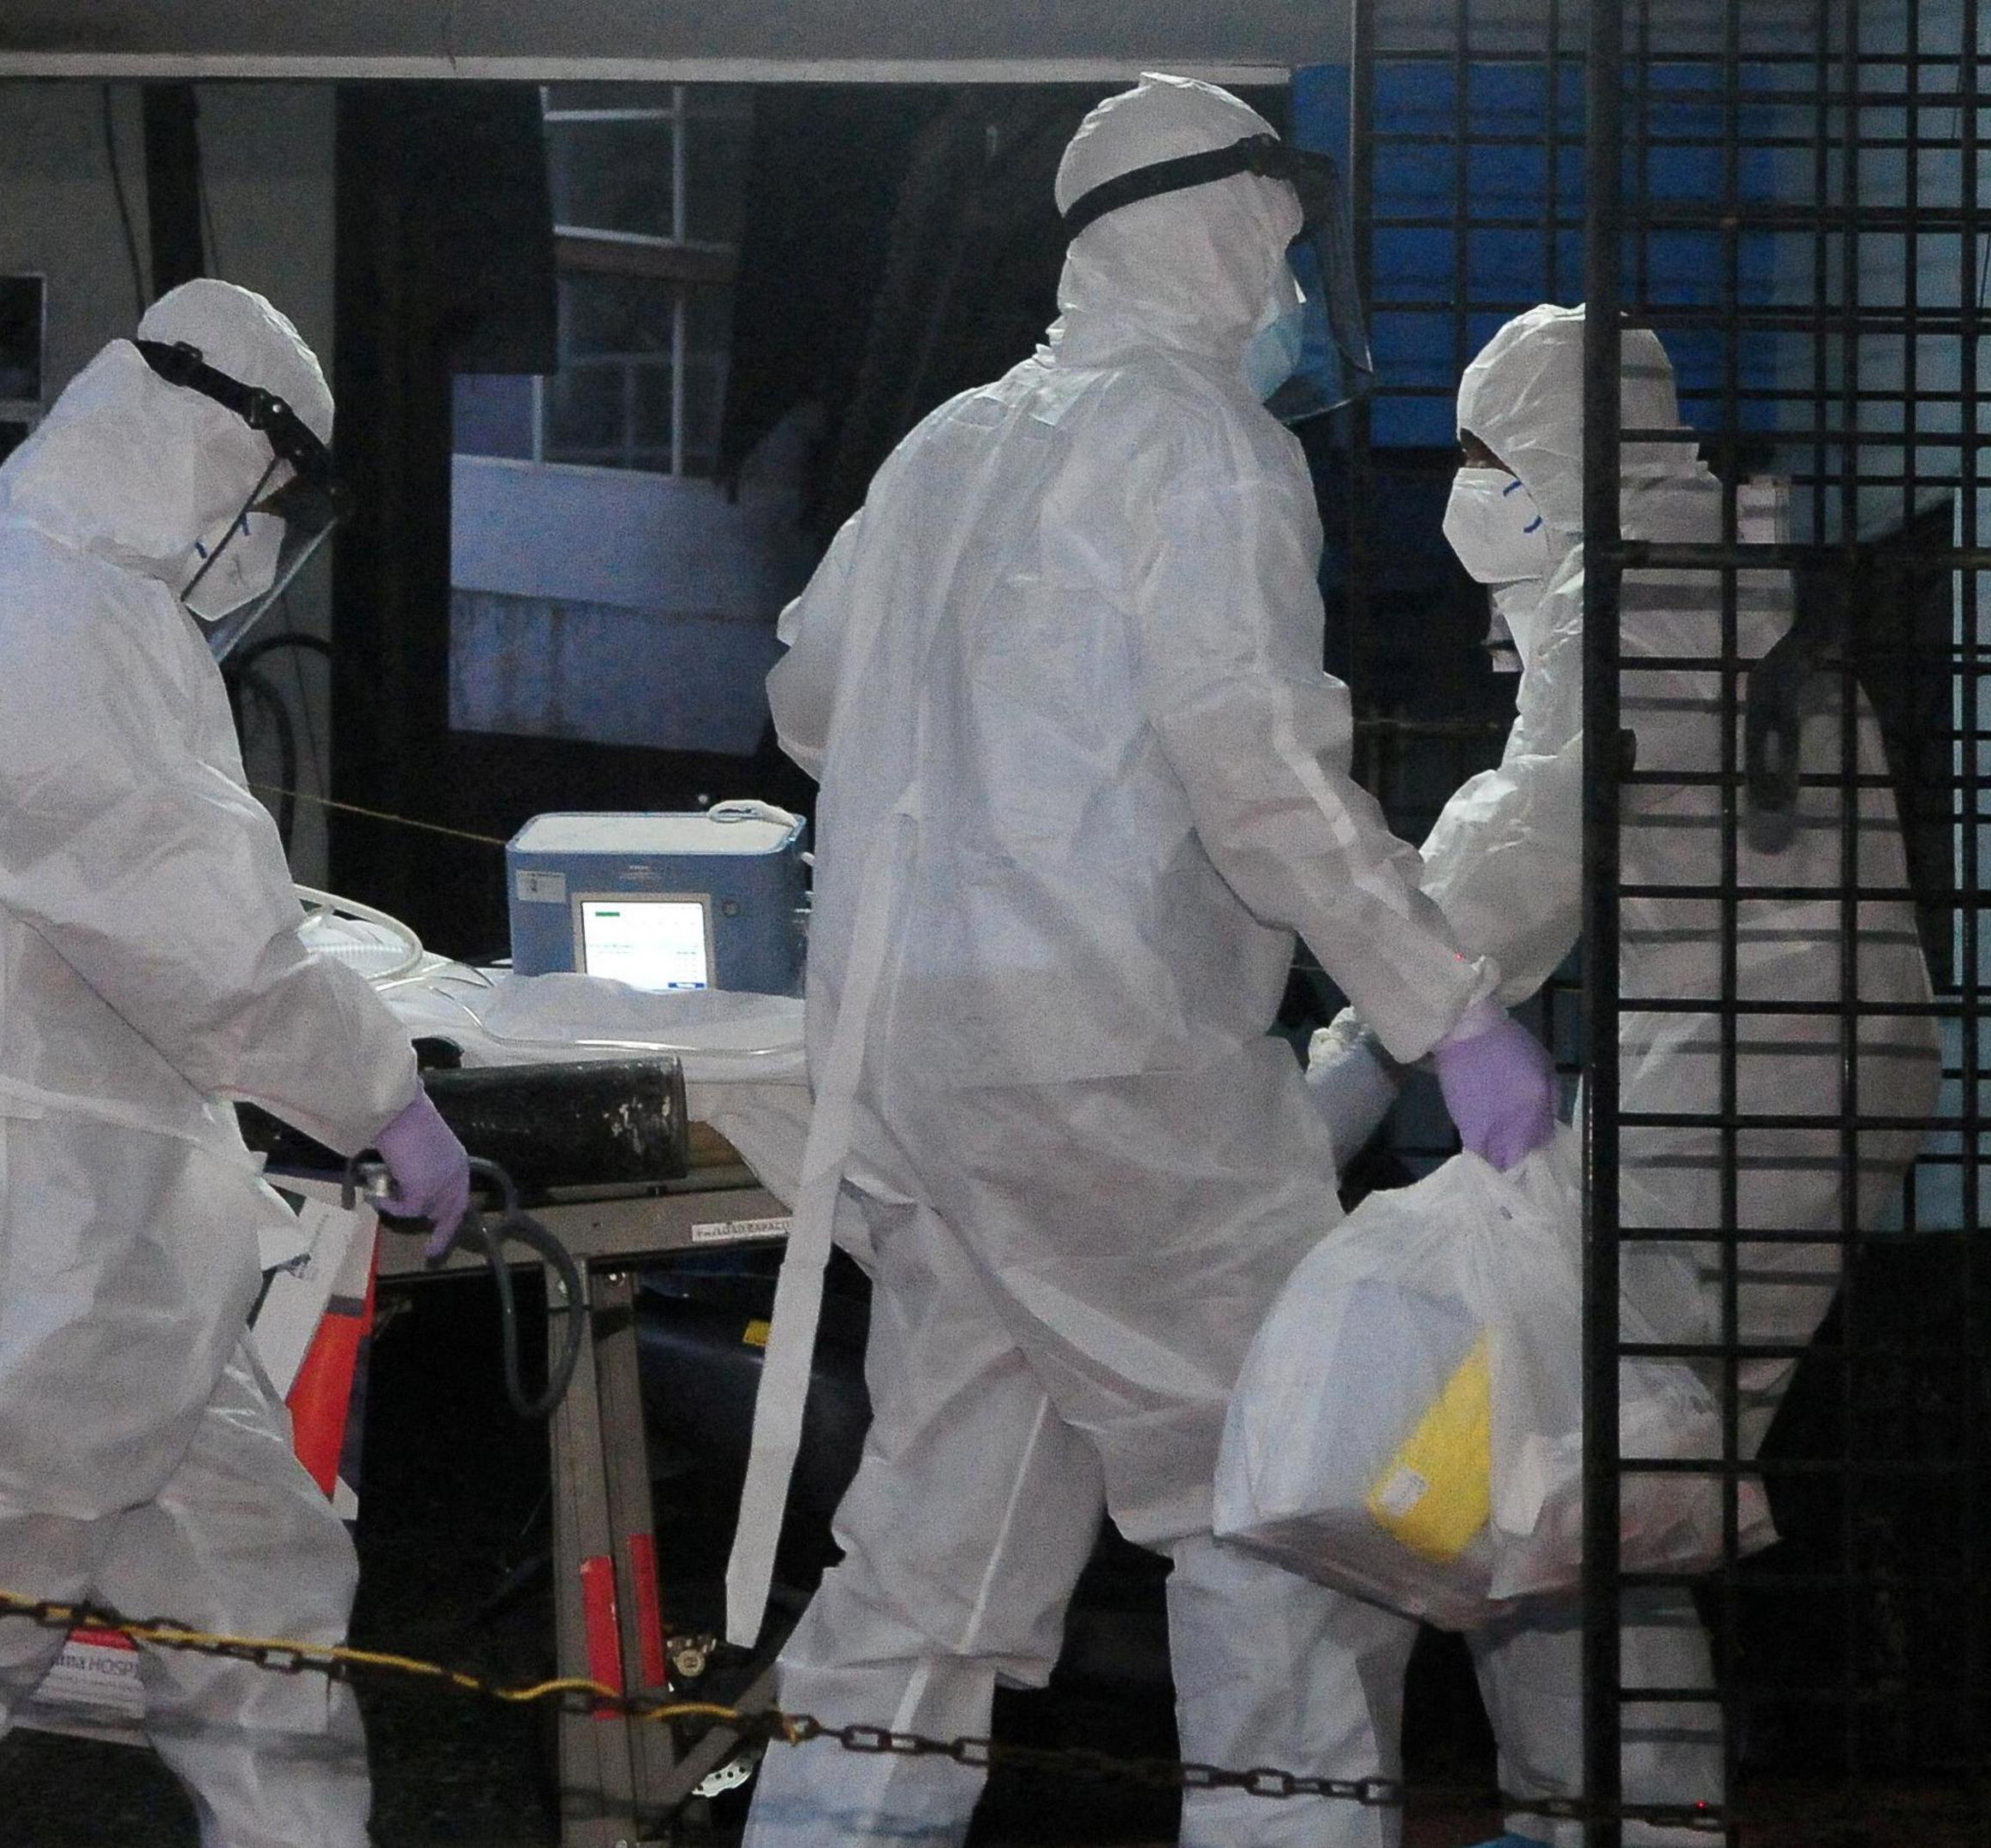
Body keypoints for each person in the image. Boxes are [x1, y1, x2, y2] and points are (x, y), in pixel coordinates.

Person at [736, 75, 1557, 1848]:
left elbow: (804, 700)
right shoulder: (1202, 446)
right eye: (1277, 247)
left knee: (935, 1539)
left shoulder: (952, 440)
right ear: (1217, 228)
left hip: (914, 1073)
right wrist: (1452, 1011)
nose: (1289, 291)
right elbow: (1263, 780)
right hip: (1122, 1080)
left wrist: (975, 744)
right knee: (1281, 1519)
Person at [0, 277, 470, 1848]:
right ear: (215, 460)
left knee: (261, 1623)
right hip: (25, 1285)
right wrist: (383, 1094)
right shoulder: (73, 625)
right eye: (271, 505)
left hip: (94, 1276)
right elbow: (212, 945)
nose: (264, 550)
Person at [1307, 305, 1942, 1848]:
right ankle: (1587, 1808)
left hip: (1750, 1068)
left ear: (1541, 455)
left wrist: (1361, 1036)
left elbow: (1532, 841)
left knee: (1575, 1464)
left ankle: (1630, 1818)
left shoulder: (1631, 590)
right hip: (1774, 1055)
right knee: (1580, 1453)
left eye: (1477, 451)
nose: (1458, 487)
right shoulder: (1703, 559)